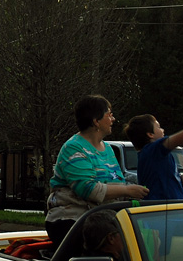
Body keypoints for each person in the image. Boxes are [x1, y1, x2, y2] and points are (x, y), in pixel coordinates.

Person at [46, 95, 149, 247]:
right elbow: (87, 189)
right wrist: (127, 190)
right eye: (109, 114)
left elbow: (117, 182)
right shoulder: (74, 148)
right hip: (73, 221)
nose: (113, 119)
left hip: (103, 219)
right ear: (96, 121)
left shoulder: (107, 149)